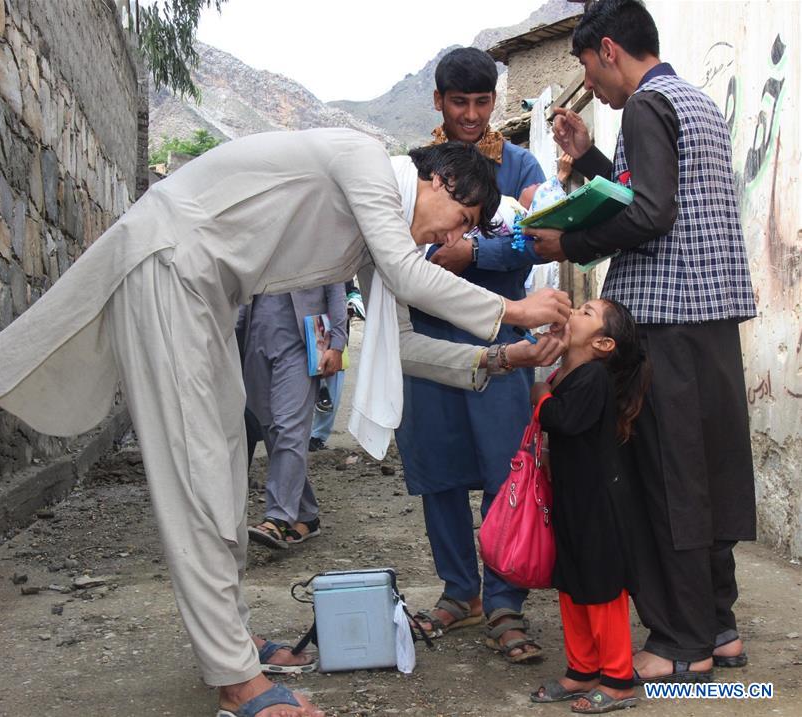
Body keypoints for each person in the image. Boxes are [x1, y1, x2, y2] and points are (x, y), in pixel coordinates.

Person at [0, 129, 571, 717]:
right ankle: (235, 678)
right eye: (460, 220)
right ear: (438, 181)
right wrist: (514, 310)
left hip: (203, 293)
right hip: (169, 269)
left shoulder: (378, 236)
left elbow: (400, 344)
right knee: (198, 475)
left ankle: (233, 642)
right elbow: (413, 275)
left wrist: (502, 356)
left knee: (218, 465)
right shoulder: (366, 161)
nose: (446, 239)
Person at [526, 0, 757, 683]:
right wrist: (587, 156)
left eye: (587, 73)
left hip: (663, 320)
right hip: (710, 319)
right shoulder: (694, 103)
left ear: (606, 50)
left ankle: (681, 642)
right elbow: (656, 195)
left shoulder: (644, 108)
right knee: (709, 472)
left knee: (668, 477)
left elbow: (651, 213)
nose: (590, 88)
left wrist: (567, 240)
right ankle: (719, 627)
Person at [399, 46, 549, 663]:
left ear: (495, 101)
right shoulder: (416, 171)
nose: (470, 114)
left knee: (502, 472)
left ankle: (507, 598)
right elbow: (398, 254)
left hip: (501, 343)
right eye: (458, 101)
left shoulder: (520, 164)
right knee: (439, 473)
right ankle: (460, 591)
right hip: (431, 344)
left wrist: (472, 256)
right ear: (437, 100)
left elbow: (537, 241)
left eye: (481, 102)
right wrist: (443, 260)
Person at [529, 299, 649, 713]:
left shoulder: (594, 377)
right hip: (573, 499)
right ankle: (582, 668)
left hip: (599, 504)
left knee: (602, 588)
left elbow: (566, 421)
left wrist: (541, 397)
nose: (574, 313)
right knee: (573, 582)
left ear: (603, 343)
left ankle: (617, 679)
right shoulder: (570, 372)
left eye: (586, 312)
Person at [242, 284, 347, 548]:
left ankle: (278, 518)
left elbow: (336, 286)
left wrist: (338, 342)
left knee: (289, 427)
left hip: (301, 343)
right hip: (255, 339)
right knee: (271, 429)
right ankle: (307, 515)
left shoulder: (317, 241)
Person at [309, 281, 363, 452]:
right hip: (306, 332)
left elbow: (349, 289)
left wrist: (354, 299)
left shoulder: (339, 266)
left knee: (332, 390)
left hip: (334, 337)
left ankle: (317, 436)